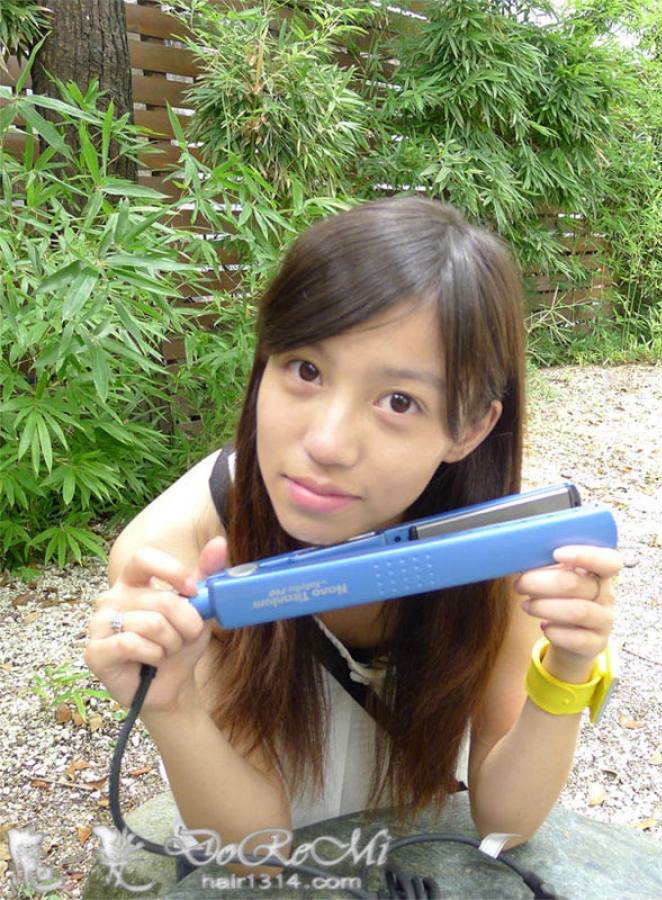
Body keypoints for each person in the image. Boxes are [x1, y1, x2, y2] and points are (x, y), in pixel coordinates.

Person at [84, 196, 621, 865]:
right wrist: (171, 710)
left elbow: (505, 824)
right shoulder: (179, 554)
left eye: (399, 401)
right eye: (306, 370)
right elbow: (257, 853)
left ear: (469, 428)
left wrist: (569, 666)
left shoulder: (502, 553)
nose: (328, 442)